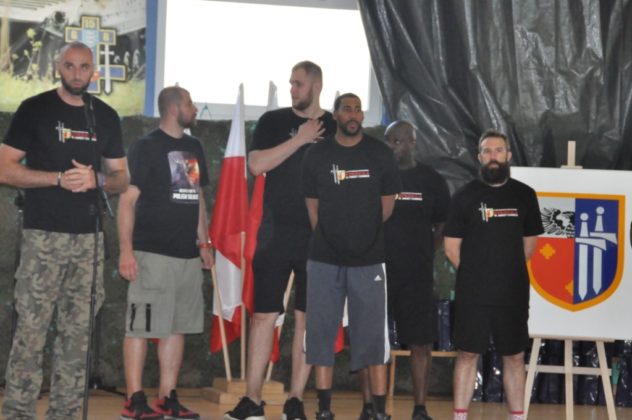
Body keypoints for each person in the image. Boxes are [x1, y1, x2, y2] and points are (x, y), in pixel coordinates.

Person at [0, 41, 129, 419]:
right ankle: (19, 412)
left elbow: (122, 178)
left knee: (77, 337)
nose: (77, 73)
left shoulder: (104, 116)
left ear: (94, 72)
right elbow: (5, 168)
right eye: (69, 66)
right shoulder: (34, 109)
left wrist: (97, 180)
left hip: (89, 239)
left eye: (84, 67)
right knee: (31, 331)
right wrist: (57, 178)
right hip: (43, 235)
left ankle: (66, 413)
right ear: (58, 67)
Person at [225, 61, 336, 420]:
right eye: (291, 83)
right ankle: (252, 399)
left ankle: (295, 399)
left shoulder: (335, 127)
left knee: (307, 319)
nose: (292, 89)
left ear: (316, 86)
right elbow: (256, 165)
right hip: (274, 235)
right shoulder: (273, 121)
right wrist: (300, 139)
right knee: (263, 316)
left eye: (298, 84)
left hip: (318, 239)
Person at [302, 93, 401, 420]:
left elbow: (387, 206)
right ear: (335, 114)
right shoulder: (317, 154)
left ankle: (378, 411)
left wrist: (360, 235)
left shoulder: (380, 154)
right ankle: (324, 409)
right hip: (324, 260)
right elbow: (312, 207)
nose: (354, 114)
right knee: (321, 336)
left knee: (372, 338)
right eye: (347, 109)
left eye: (358, 109)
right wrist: (333, 238)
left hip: (369, 261)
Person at [117, 86, 214, 420]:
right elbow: (127, 200)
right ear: (174, 108)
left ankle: (167, 397)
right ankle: (134, 399)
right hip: (151, 254)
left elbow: (197, 198)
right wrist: (126, 251)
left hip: (186, 255)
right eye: (189, 103)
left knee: (177, 326)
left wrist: (204, 244)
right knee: (140, 327)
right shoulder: (146, 146)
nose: (195, 108)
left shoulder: (194, 147)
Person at [443, 129, 543, 420]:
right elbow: (451, 248)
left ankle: (517, 416)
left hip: (512, 292)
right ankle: (460, 416)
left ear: (508, 155)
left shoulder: (525, 195)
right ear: (479, 157)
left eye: (498, 150)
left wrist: (504, 272)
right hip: (473, 293)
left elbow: (529, 247)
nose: (493, 156)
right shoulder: (464, 196)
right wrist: (477, 275)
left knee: (514, 356)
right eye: (487, 151)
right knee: (466, 354)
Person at [358, 121, 450, 420]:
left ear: (413, 143)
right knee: (371, 339)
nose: (393, 146)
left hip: (416, 275)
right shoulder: (374, 177)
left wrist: (424, 252)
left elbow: (442, 224)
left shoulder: (431, 180)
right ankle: (370, 407)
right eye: (389, 140)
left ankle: (420, 408)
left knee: (420, 342)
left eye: (399, 140)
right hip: (376, 271)